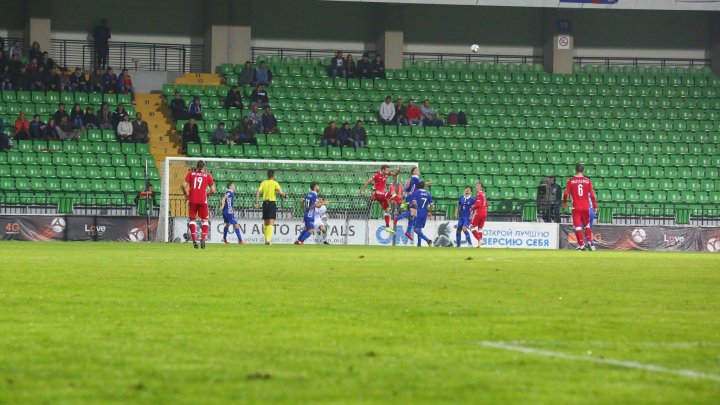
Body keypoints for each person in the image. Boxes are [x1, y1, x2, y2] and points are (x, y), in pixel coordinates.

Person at [181, 160, 216, 249]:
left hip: (192, 199)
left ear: (196, 166)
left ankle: (194, 240)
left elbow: (183, 185)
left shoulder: (191, 174)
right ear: (204, 167)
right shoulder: (208, 175)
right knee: (205, 220)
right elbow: (213, 190)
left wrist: (186, 194)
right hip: (202, 200)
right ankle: (203, 239)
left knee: (192, 219)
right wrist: (206, 194)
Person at [563, 163, 598, 251]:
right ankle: (590, 242)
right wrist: (595, 206)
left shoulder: (570, 181)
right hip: (586, 207)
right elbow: (593, 195)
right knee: (587, 225)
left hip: (576, 208)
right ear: (583, 170)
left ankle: (582, 246)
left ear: (575, 170)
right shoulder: (588, 181)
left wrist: (564, 202)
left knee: (578, 227)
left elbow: (566, 193)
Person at [360, 165, 402, 233]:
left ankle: (387, 227)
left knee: (387, 210)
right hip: (377, 193)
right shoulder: (377, 175)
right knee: (392, 192)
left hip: (381, 194)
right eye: (387, 170)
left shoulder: (387, 174)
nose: (388, 171)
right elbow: (368, 181)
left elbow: (395, 174)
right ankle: (401, 204)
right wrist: (363, 190)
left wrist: (399, 169)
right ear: (382, 170)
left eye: (388, 170)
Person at [255, 170, 288, 245]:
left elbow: (257, 192)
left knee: (266, 223)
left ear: (267, 176)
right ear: (273, 176)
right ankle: (268, 240)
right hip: (271, 203)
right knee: (271, 222)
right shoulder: (275, 183)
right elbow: (280, 192)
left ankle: (266, 240)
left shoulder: (263, 182)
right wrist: (285, 196)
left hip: (264, 204)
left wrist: (256, 202)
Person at [409, 181, 433, 247]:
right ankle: (419, 244)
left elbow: (414, 203)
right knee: (419, 228)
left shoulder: (416, 192)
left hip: (418, 212)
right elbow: (431, 205)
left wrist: (409, 207)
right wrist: (430, 212)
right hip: (424, 213)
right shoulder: (428, 194)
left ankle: (428, 240)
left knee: (415, 229)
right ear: (424, 186)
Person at [470, 182, 488, 248]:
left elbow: (478, 205)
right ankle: (479, 244)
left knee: (471, 227)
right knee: (480, 228)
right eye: (476, 186)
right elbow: (487, 204)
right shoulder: (484, 194)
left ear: (481, 187)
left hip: (479, 212)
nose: (476, 187)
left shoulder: (478, 194)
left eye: (478, 186)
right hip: (485, 212)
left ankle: (480, 240)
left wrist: (471, 208)